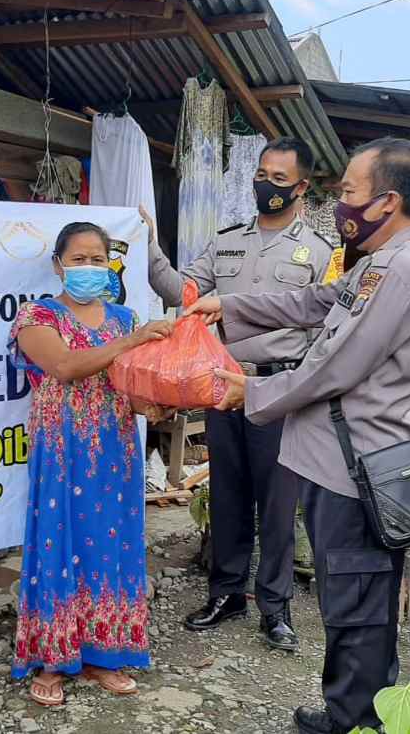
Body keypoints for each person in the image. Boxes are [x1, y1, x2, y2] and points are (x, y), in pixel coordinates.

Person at [186, 137, 410, 734]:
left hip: (358, 469)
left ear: (387, 201)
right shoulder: (376, 261)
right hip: (338, 461)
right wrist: (230, 306)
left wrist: (253, 393)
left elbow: (334, 367)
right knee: (348, 599)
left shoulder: (399, 270)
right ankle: (351, 711)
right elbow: (315, 300)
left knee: (357, 602)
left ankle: (355, 722)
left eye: (349, 191)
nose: (340, 202)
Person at [146, 136, 333, 651]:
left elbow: (328, 327)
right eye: (261, 175)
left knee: (277, 504)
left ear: (301, 187)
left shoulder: (321, 252)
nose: (266, 185)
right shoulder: (226, 242)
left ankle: (275, 608)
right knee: (227, 495)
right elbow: (184, 293)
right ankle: (226, 593)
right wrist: (149, 247)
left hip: (279, 388)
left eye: (279, 179)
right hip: (223, 385)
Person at [8, 221, 174, 707]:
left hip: (114, 446)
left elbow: (128, 386)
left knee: (110, 542)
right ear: (58, 265)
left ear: (109, 265)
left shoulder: (123, 318)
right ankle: (52, 659)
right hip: (62, 448)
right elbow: (64, 367)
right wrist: (134, 340)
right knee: (58, 539)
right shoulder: (37, 315)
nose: (88, 267)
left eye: (97, 259)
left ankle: (104, 652)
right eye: (78, 259)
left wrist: (157, 404)